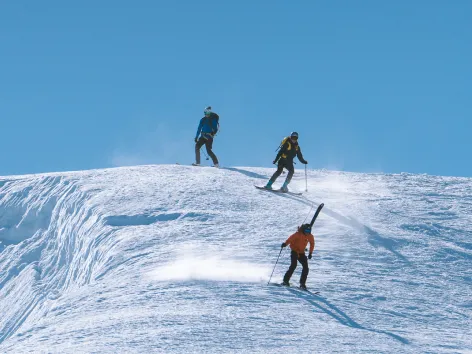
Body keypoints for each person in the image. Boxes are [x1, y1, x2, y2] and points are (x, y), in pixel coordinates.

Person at [281, 223, 315, 290]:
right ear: (303, 230)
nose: (307, 233)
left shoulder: (310, 236)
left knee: (306, 268)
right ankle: (285, 281)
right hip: (294, 251)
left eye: (309, 231)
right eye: (306, 231)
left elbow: (312, 244)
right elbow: (290, 239)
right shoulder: (297, 234)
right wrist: (285, 244)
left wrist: (310, 253)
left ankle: (302, 284)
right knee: (294, 265)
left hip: (302, 252)